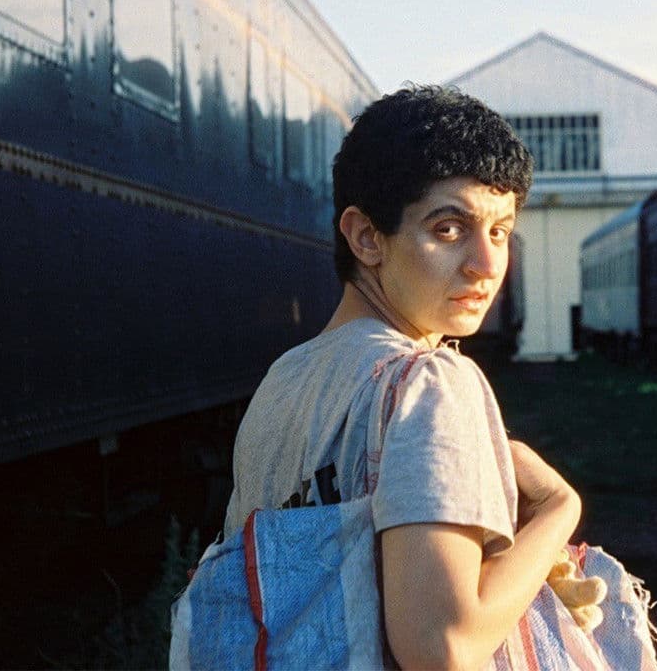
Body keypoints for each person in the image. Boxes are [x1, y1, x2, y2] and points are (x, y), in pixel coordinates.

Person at [221, 85, 585, 669]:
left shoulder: (282, 381)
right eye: (449, 228)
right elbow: (444, 649)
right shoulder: (430, 382)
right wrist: (557, 510)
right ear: (367, 237)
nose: (486, 265)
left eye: (499, 231)